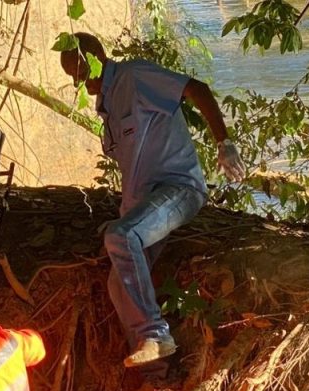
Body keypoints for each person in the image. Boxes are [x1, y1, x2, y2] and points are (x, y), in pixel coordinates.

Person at [59, 33, 247, 369]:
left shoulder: (134, 77)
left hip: (181, 189)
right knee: (117, 282)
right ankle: (154, 366)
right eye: (73, 77)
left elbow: (196, 89)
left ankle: (157, 334)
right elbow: (136, 170)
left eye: (81, 71)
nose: (79, 82)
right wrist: (127, 216)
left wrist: (224, 143)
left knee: (121, 236)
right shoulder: (108, 106)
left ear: (98, 58)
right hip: (148, 204)